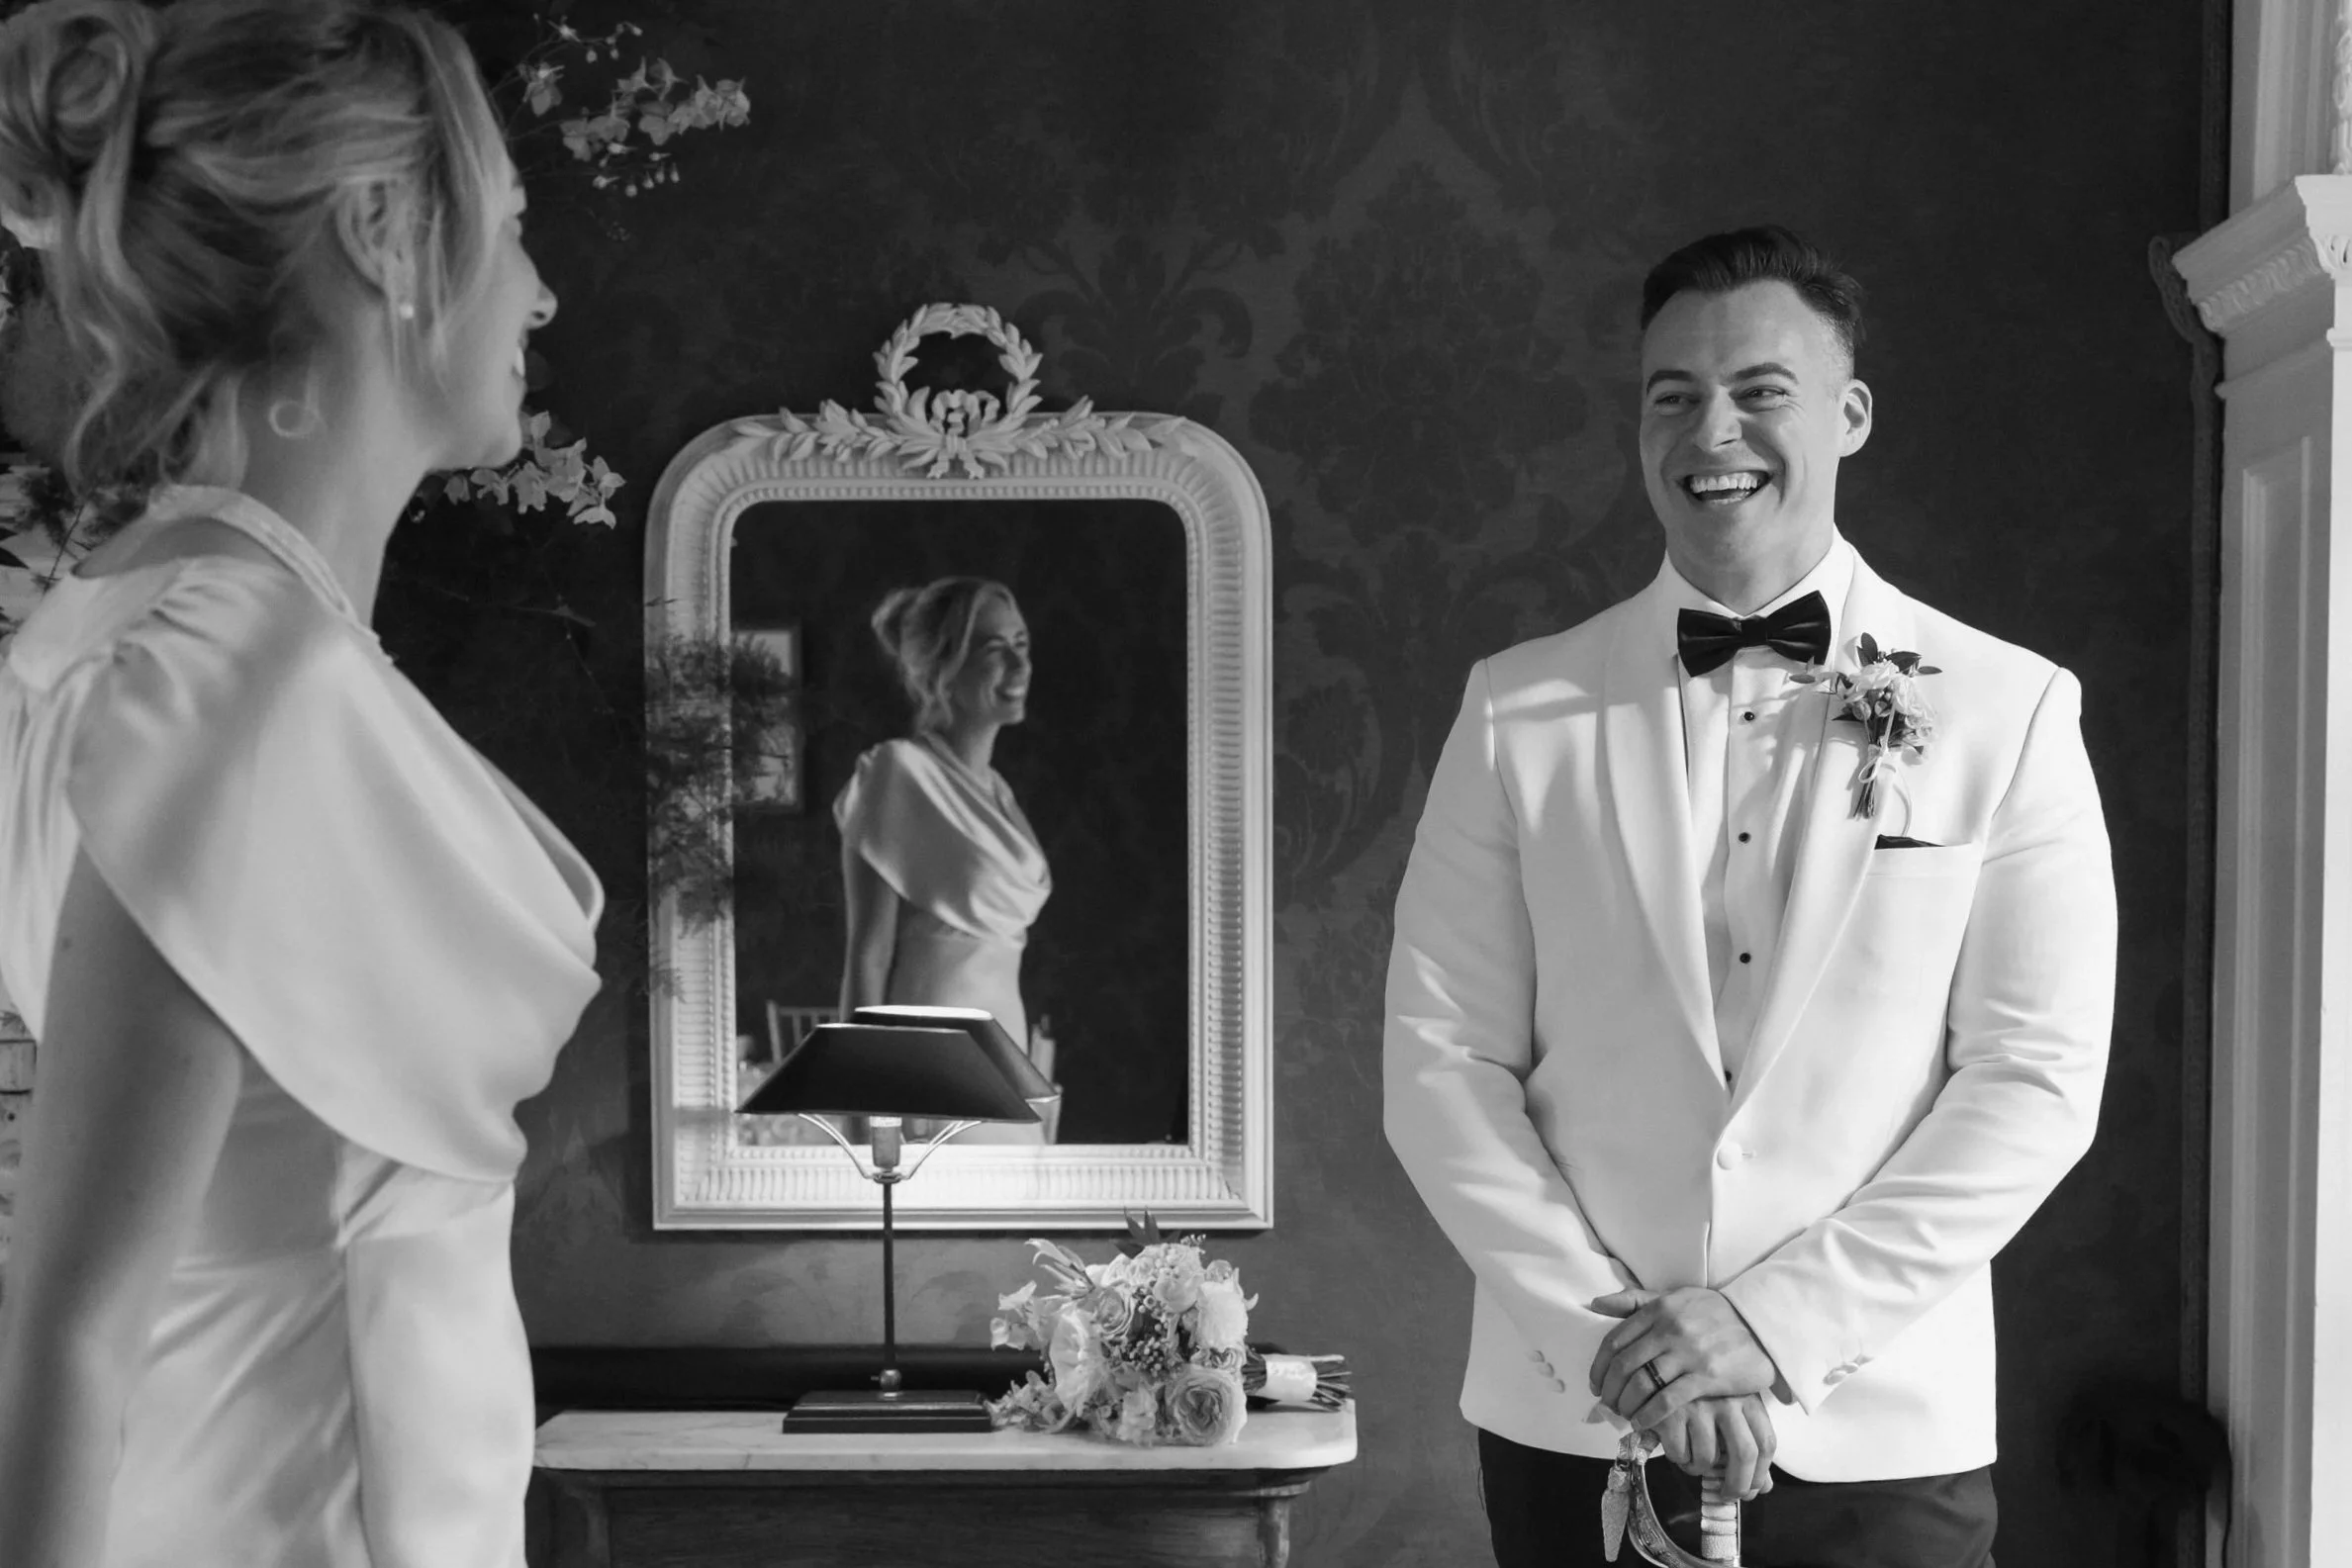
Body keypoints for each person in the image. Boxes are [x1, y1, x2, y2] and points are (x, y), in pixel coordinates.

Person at [1383, 226, 2115, 1566]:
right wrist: (1626, 1347)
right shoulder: (1516, 710)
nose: (1711, 429)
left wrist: (1769, 1325)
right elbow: (1440, 1065)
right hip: (1576, 1414)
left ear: (1849, 413)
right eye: (1672, 395)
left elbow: (2034, 1080)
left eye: (1758, 389)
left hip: (1881, 1426)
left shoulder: (2006, 709)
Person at [0, 3, 602, 1564]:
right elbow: (70, 1327)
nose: (539, 292)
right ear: (387, 229)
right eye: (518, 231)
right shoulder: (236, 679)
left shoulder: (160, 624)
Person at [835, 576, 1057, 1144]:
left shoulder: (1000, 793)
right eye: (992, 649)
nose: (1018, 663)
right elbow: (868, 956)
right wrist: (864, 1124)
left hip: (1008, 1070)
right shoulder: (897, 773)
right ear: (940, 671)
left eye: (1022, 644)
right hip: (927, 1076)